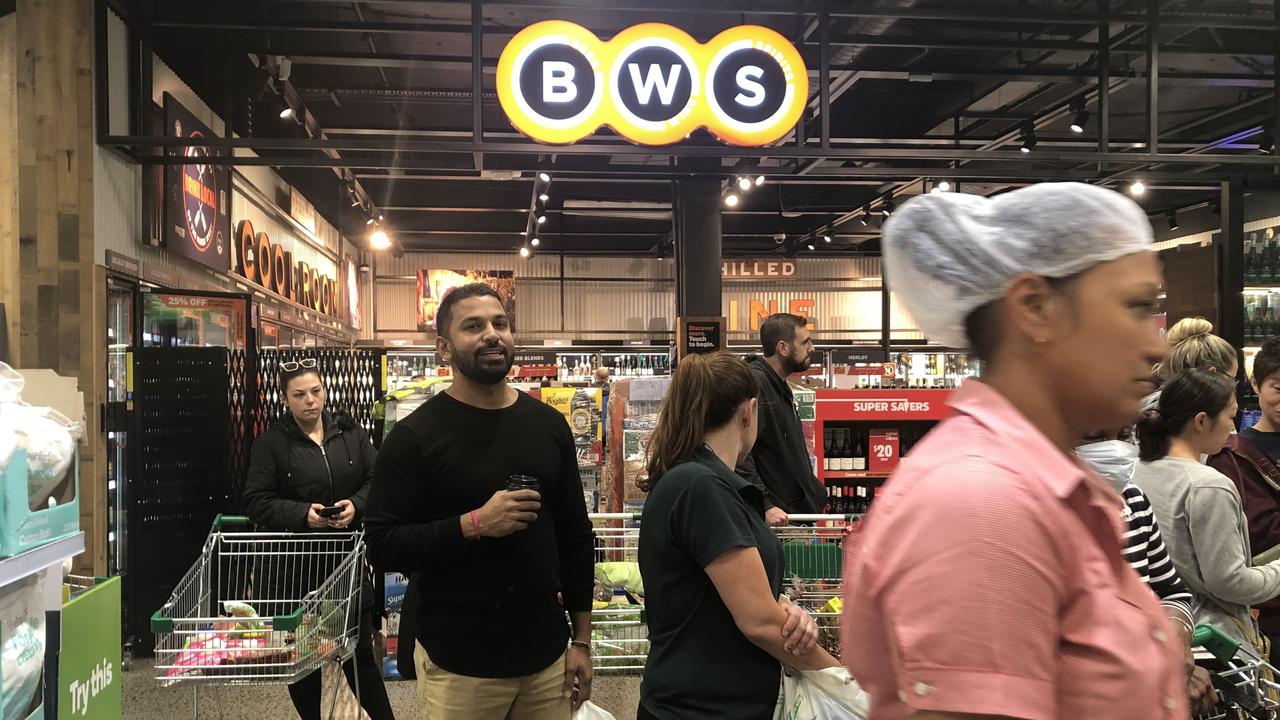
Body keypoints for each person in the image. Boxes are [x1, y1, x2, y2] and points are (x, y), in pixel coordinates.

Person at [842, 182, 1189, 719]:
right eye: (1136, 307)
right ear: (1034, 307)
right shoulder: (983, 505)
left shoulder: (1047, 488)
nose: (1157, 345)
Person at [364, 283, 595, 720]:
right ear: (443, 349)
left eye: (500, 323)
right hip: (459, 665)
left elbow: (576, 536)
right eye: (473, 326)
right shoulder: (416, 438)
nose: (492, 334)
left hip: (545, 660)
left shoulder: (548, 426)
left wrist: (581, 641)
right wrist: (472, 525)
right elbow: (381, 542)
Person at [637, 351, 838, 720]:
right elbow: (758, 622)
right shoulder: (702, 487)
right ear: (748, 411)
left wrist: (785, 610)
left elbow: (720, 595)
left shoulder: (698, 481)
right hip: (702, 710)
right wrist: (842, 679)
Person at [242, 358, 395, 720]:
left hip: (344, 566)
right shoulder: (272, 444)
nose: (310, 400)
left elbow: (378, 479)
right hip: (291, 571)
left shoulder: (350, 433)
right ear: (285, 399)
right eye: (299, 394)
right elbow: (256, 500)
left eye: (316, 391)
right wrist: (303, 515)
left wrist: (355, 506)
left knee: (359, 659)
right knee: (303, 662)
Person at [1134, 368, 1280, 658]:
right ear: (1202, 421)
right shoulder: (1209, 485)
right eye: (1229, 416)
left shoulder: (1140, 470)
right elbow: (1229, 582)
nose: (1233, 426)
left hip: (1163, 630)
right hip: (1215, 641)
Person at [1076, 430, 1215, 714]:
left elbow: (1173, 594)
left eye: (1124, 435)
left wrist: (1177, 649)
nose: (1115, 448)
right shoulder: (1036, 513)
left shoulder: (1134, 500)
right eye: (1093, 436)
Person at [1209, 335, 1280, 657]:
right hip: (1269, 615)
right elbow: (1253, 533)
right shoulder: (1233, 456)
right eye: (1277, 387)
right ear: (1255, 382)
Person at [735, 313, 827, 526]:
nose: (811, 348)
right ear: (783, 348)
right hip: (779, 523)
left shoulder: (777, 384)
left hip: (792, 515)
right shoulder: (757, 384)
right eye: (805, 342)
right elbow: (739, 453)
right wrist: (765, 505)